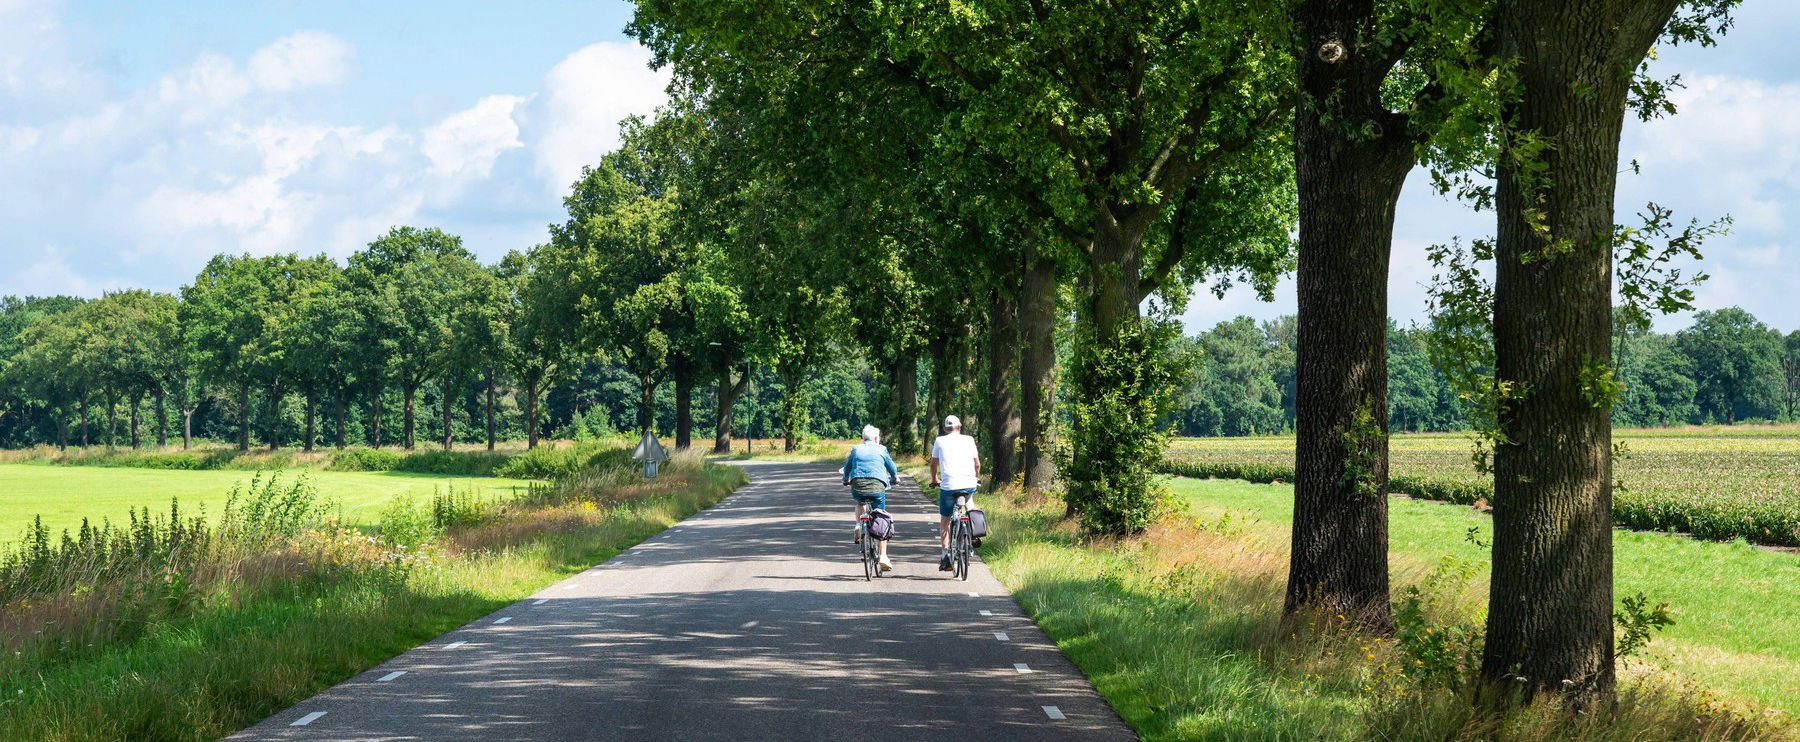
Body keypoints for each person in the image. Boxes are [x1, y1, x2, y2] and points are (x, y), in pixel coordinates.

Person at [841, 424, 899, 572]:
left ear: (863, 438)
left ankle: (858, 525)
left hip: (857, 483)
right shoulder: (881, 449)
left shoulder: (856, 449)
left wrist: (846, 479)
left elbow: (847, 467)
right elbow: (891, 467)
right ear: (876, 438)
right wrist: (895, 478)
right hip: (877, 486)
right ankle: (884, 556)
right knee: (881, 518)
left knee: (860, 501)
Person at [928, 414, 980, 572]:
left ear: (945, 429)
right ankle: (973, 531)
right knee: (969, 502)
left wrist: (935, 479)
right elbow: (977, 464)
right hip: (969, 484)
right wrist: (976, 479)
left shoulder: (940, 440)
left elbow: (933, 464)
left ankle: (945, 556)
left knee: (945, 520)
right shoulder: (969, 439)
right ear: (960, 427)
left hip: (948, 486)